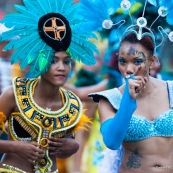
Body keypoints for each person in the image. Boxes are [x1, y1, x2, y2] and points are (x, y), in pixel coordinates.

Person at [0, 0, 98, 172]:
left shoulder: (72, 105)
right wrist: (16, 147)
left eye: (66, 61)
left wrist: (72, 147)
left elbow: (64, 150)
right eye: (53, 60)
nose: (61, 67)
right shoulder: (14, 94)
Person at [89, 26, 173, 173]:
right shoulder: (110, 99)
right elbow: (112, 142)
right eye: (123, 61)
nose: (128, 69)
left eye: (137, 61)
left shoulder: (170, 90)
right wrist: (128, 99)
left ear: (152, 61)